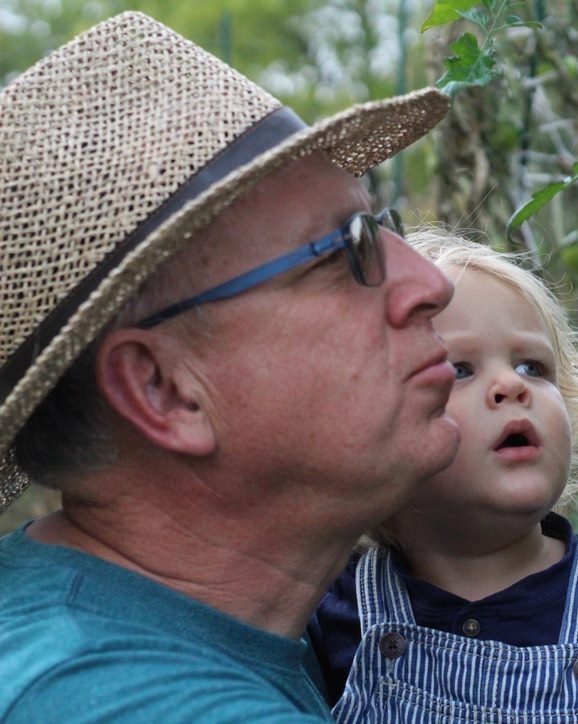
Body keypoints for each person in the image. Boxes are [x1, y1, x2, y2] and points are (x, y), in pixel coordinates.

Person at [0, 12, 461, 722]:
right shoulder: (121, 701)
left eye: (380, 227)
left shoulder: (137, 628)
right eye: (345, 252)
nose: (432, 283)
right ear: (166, 391)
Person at [309, 227, 578, 722]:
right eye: (459, 370)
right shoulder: (335, 605)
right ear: (360, 432)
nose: (509, 385)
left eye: (532, 366)